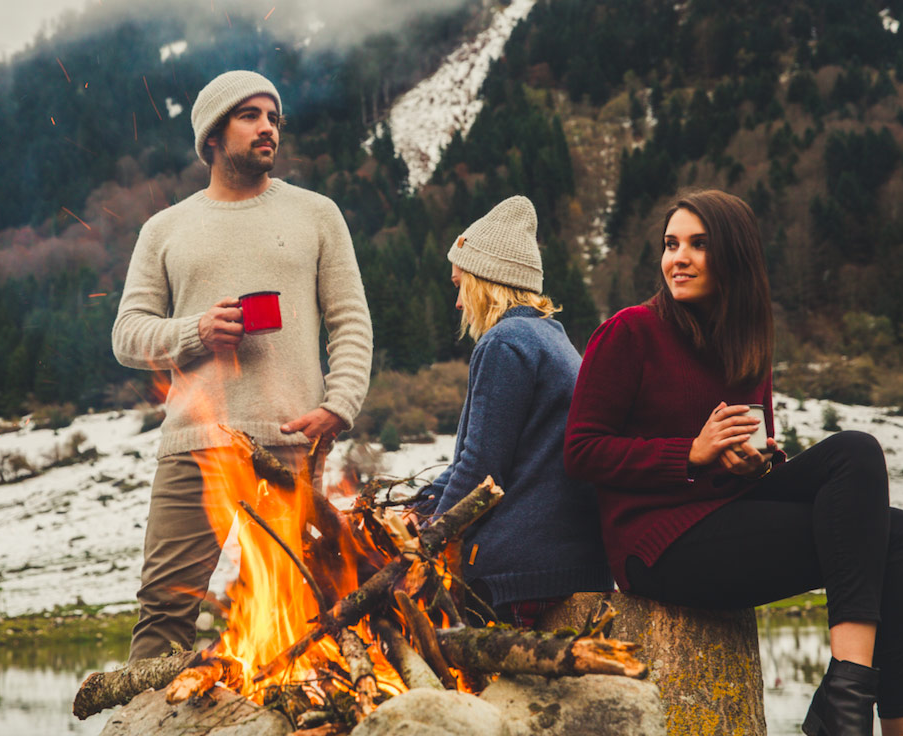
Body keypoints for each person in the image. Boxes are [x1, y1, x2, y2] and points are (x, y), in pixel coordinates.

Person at [564, 190, 903, 736]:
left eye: (697, 244)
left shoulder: (744, 343)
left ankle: (874, 710)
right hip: (656, 545)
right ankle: (847, 707)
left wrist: (753, 465)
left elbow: (746, 464)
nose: (677, 258)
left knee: (885, 507)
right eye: (670, 244)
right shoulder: (629, 332)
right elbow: (581, 451)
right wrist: (690, 450)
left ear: (733, 255)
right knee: (883, 529)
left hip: (723, 513)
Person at [112, 70, 373, 662]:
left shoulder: (317, 214)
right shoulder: (165, 229)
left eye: (273, 118)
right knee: (164, 608)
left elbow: (351, 320)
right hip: (194, 445)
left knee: (294, 608)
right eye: (250, 116)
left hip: (289, 441)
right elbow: (128, 336)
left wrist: (339, 404)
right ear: (212, 136)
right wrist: (194, 331)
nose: (267, 129)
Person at [416, 195, 613, 627]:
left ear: (485, 281)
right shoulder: (550, 337)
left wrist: (424, 544)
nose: (457, 302)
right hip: (572, 558)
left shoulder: (506, 343)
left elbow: (480, 470)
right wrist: (419, 507)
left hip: (520, 570)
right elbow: (477, 458)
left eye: (458, 285)